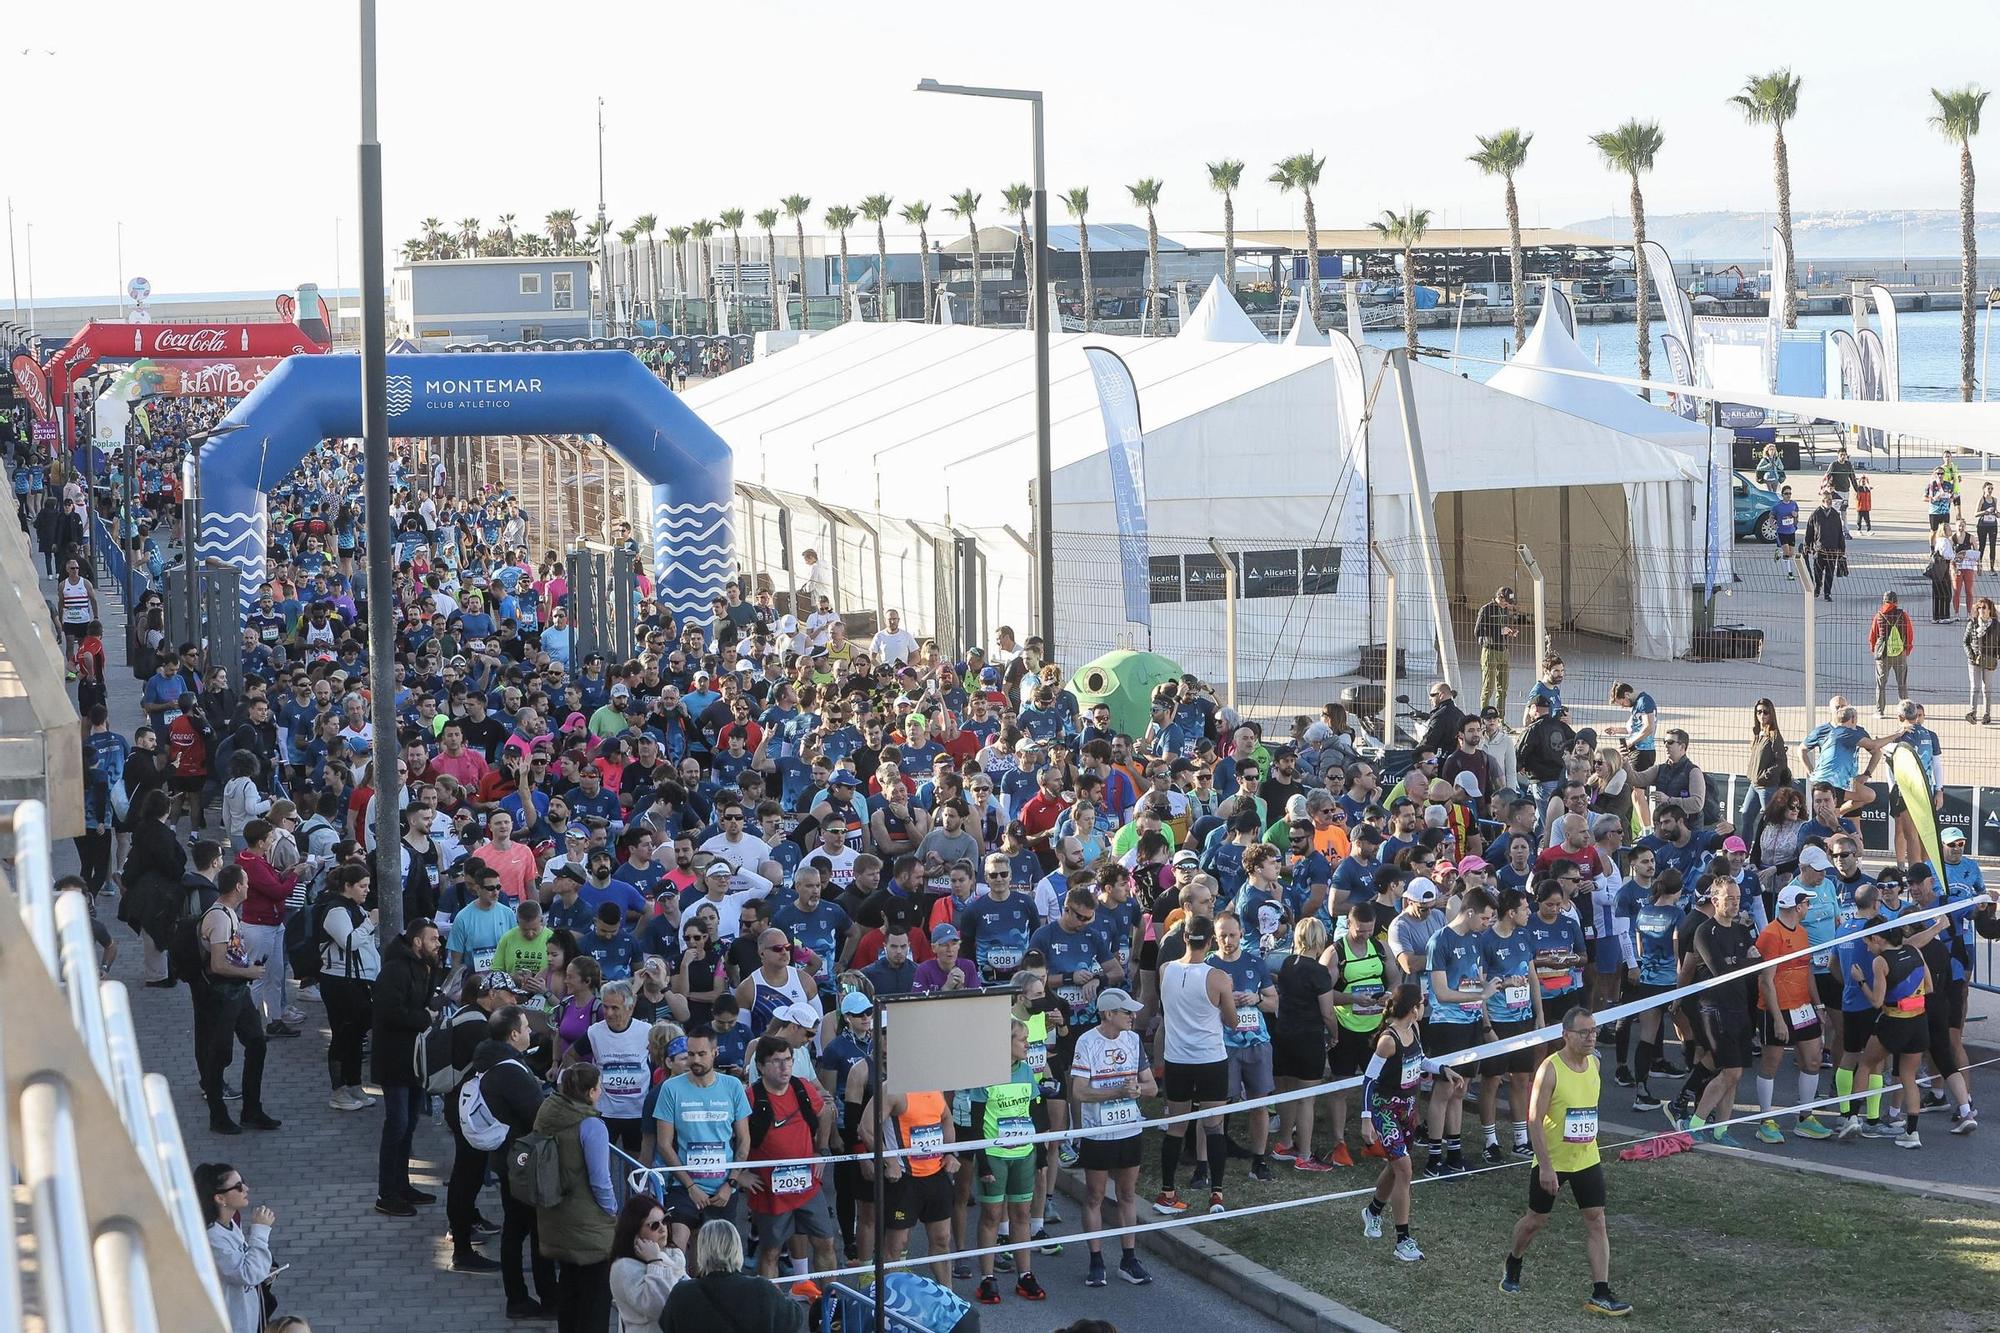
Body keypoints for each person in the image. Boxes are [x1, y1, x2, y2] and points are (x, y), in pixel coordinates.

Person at [1498, 1006, 1633, 1316]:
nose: (1590, 1037)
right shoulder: (1550, 1069)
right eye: (1583, 1033)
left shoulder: (1595, 1065)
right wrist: (1545, 1166)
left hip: (1586, 1157)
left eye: (1594, 1031)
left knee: (1596, 1220)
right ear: (1566, 1035)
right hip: (1553, 1161)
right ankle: (1514, 1260)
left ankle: (1601, 1292)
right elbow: (1534, 1120)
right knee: (1535, 1220)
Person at [1360, 982, 1460, 1263]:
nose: (1424, 1008)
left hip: (1408, 1109)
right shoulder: (1388, 1040)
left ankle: (1373, 1211)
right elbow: (1368, 1080)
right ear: (1413, 1008)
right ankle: (1403, 1239)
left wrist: (1443, 1070)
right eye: (1422, 1003)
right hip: (1385, 1111)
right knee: (1404, 1168)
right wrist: (1366, 1119)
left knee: (1397, 1166)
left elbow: (1420, 1060)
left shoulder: (1414, 1029)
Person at [1151, 914, 1239, 1217]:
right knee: (1213, 1125)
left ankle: (1167, 1191)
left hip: (1178, 1059)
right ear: (1211, 941)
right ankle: (1217, 1194)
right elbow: (1232, 1021)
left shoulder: (1165, 970)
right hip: (1210, 1059)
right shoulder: (1217, 977)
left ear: (1184, 938)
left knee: (1176, 1127)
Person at [1070, 987, 1157, 1288]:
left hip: (1130, 1128)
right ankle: (1096, 1261)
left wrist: (1136, 1091)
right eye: (1126, 1012)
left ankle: (1129, 1258)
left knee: (1127, 1194)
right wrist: (1117, 1092)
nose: (1133, 1017)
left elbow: (1152, 1088)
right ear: (1108, 1014)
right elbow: (1079, 1091)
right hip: (1098, 1132)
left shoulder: (1133, 1040)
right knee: (1094, 1195)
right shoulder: (1087, 1041)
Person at [737, 1034, 838, 1280]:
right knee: (771, 1251)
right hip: (769, 1190)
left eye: (788, 1060)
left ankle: (832, 1305)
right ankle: (773, 1312)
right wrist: (740, 1174)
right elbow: (734, 1138)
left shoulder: (802, 1087)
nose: (784, 1067)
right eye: (776, 1061)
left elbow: (824, 1112)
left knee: (826, 1242)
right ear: (760, 1066)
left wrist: (820, 1151)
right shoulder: (750, 1097)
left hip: (807, 1185)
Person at [196, 865, 280, 1136]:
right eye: (246, 882)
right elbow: (218, 964)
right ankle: (218, 1116)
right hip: (222, 995)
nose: (248, 887)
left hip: (238, 991)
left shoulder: (229, 912)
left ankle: (251, 1109)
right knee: (219, 1055)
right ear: (237, 888)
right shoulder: (220, 918)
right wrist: (250, 972)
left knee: (257, 1042)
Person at [534, 1062, 618, 1333]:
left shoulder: (547, 1112)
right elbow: (600, 1180)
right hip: (588, 1224)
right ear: (592, 1091)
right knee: (594, 1300)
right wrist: (612, 1211)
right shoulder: (591, 1125)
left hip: (554, 1213)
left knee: (568, 1290)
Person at [653, 1024, 752, 1249]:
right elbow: (664, 1144)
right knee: (676, 1246)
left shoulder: (733, 1086)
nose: (694, 1060)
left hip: (723, 1189)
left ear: (715, 1053)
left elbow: (744, 1140)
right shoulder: (671, 1088)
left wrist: (731, 1183)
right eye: (690, 1054)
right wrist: (690, 1186)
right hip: (684, 1187)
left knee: (717, 1256)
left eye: (701, 1054)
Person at [1837, 923, 1933, 1149]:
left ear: (1878, 939)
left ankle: (1852, 1118)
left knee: (1865, 1064)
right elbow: (1929, 987)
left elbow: (1877, 1001)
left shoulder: (1880, 961)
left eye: (1867, 941)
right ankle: (1912, 1132)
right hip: (1919, 1021)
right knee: (1909, 1076)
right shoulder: (1915, 951)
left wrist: (1860, 980)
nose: (1867, 947)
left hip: (1894, 1022)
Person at [1752, 885, 1835, 1143]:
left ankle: (1805, 1117)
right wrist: (1777, 1018)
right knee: (1771, 1063)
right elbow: (1766, 981)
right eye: (1806, 904)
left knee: (1813, 1059)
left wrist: (1818, 1005)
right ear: (1797, 906)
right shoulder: (1770, 935)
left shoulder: (1802, 933)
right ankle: (1765, 1119)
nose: (1809, 908)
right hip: (1775, 1009)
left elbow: (1806, 970)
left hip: (1802, 1008)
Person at [973, 1017, 1047, 1305]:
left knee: (1021, 1215)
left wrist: (1039, 1152)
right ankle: (987, 1278)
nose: (1027, 1044)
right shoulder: (986, 1073)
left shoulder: (1027, 1070)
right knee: (991, 1216)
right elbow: (977, 1123)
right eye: (1022, 1040)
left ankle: (1024, 1274)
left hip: (1023, 1153)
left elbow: (1034, 1111)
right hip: (995, 1155)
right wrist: (984, 1162)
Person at [372, 918, 442, 1216]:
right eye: (433, 940)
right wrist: (424, 1017)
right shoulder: (396, 969)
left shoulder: (425, 966)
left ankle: (402, 1185)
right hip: (394, 1058)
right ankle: (386, 1193)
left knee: (410, 1123)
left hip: (414, 1059)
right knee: (397, 1123)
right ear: (417, 942)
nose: (438, 945)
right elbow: (390, 1012)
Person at [662, 1219, 806, 1332]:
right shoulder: (762, 1289)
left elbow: (666, 1326)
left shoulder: (682, 1293)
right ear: (736, 1248)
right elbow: (794, 1319)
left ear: (701, 1251)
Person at [197, 1162, 277, 1333]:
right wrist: (260, 1231)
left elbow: (244, 1261)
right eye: (238, 1187)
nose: (246, 1189)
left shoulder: (230, 1223)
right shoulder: (213, 1238)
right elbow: (247, 1274)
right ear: (220, 1198)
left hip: (247, 1317)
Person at [608, 1195, 685, 1333]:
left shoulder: (672, 1256)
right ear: (635, 1232)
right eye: (654, 1225)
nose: (663, 1229)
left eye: (665, 1220)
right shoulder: (624, 1267)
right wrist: (654, 1262)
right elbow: (659, 1307)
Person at [1472, 585, 1523, 714]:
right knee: (1488, 687)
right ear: (1499, 597)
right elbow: (1478, 631)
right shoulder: (1486, 609)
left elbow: (1503, 627)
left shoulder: (1505, 609)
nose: (1508, 606)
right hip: (1490, 650)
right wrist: (1499, 631)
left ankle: (1501, 720)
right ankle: (1484, 718)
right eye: (1506, 602)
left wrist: (1509, 632)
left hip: (1503, 651)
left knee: (1503, 688)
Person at [1803, 488, 1846, 601]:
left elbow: (1840, 533)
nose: (1828, 501)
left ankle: (1827, 594)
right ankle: (1818, 587)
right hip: (1819, 549)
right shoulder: (1815, 514)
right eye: (1826, 500)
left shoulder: (1835, 515)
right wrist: (1807, 545)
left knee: (1830, 573)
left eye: (1830, 500)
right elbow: (1809, 532)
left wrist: (1842, 550)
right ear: (1822, 501)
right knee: (1817, 571)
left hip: (1832, 550)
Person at [1966, 596, 2000, 723]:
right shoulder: (1972, 623)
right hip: (1975, 660)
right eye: (1979, 608)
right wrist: (1971, 655)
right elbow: (1966, 641)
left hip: (1990, 659)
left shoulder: (1996, 625)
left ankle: (1987, 714)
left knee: (1987, 688)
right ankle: (1972, 713)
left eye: (1984, 608)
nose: (1981, 610)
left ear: (1990, 610)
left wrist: (1997, 654)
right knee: (1975, 687)